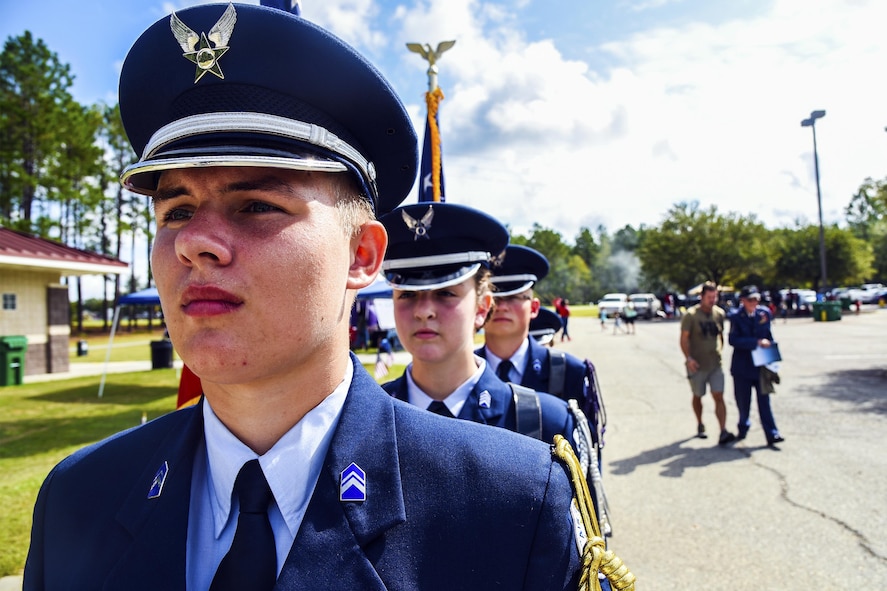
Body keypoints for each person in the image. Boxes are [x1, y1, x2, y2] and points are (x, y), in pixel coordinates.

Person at [23, 5, 618, 590]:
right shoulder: (79, 499)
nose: (194, 242)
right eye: (176, 210)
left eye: (256, 204)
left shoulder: (510, 504)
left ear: (362, 256)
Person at [379, 207, 583, 448]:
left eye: (446, 293)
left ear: (482, 309)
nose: (424, 311)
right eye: (407, 295)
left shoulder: (551, 422)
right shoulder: (363, 416)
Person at [477, 245, 611, 536]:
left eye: (514, 297)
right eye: (496, 296)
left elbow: (586, 467)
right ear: (482, 304)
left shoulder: (568, 371)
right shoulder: (461, 374)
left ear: (534, 307)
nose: (502, 306)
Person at [679, 282, 736, 445]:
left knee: (718, 395)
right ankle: (700, 423)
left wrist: (719, 350)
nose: (712, 300)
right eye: (709, 297)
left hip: (715, 363)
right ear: (701, 297)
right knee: (698, 395)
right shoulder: (691, 315)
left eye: (715, 297)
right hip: (697, 364)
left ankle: (723, 431)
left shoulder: (719, 314)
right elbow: (683, 340)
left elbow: (721, 336)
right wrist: (689, 358)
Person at [729, 285, 785, 447]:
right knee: (743, 402)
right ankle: (743, 426)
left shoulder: (764, 314)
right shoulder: (736, 317)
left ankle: (772, 433)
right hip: (742, 367)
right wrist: (755, 342)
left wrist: (771, 353)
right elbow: (734, 340)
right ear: (743, 301)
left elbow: (768, 335)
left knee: (764, 401)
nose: (754, 302)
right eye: (750, 300)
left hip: (761, 365)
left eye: (756, 299)